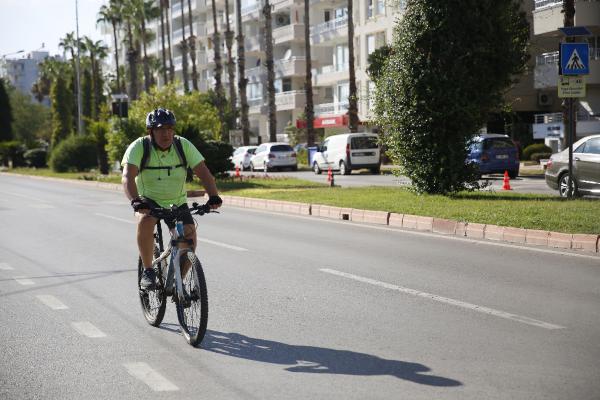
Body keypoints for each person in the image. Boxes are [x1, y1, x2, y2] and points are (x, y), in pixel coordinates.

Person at [121, 108, 222, 290]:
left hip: (177, 201)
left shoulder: (183, 146)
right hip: (148, 200)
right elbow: (127, 177)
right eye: (160, 129)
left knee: (189, 237)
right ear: (150, 131)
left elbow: (204, 173)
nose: (165, 133)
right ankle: (149, 270)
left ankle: (178, 283)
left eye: (169, 128)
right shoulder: (140, 147)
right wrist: (136, 200)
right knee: (145, 221)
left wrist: (213, 195)